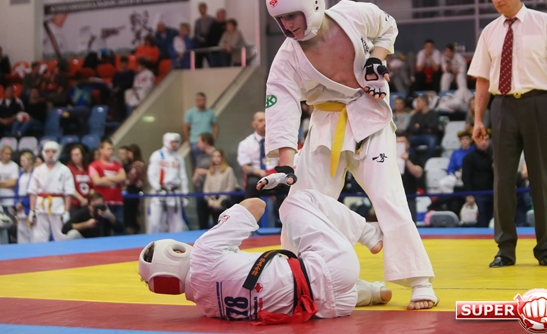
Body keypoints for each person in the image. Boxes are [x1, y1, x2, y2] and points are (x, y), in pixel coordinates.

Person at [260, 0, 437, 309]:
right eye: (280, 19)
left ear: (313, 5)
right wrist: (285, 164)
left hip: (370, 118)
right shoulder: (286, 59)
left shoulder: (352, 14)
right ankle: (294, 278)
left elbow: (388, 26)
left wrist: (377, 57)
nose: (286, 25)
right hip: (325, 124)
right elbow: (282, 109)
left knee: (388, 195)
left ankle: (419, 280)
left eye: (291, 16)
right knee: (301, 202)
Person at [138, 189, 390, 323]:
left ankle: (372, 292)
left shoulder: (207, 307)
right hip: (334, 265)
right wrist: (226, 219)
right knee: (297, 201)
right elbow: (256, 206)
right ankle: (369, 233)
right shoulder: (204, 250)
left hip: (327, 308)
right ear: (178, 251)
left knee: (290, 279)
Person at [468, 0, 547, 267]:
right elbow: (481, 79)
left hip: (540, 103)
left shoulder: (545, 23)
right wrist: (478, 119)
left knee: (542, 178)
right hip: (502, 106)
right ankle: (504, 250)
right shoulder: (490, 31)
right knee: (502, 179)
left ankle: (546, 249)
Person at [28, 141, 75, 242]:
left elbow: (69, 193)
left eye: (53, 151)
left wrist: (66, 212)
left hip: (58, 206)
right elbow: (32, 191)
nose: (50, 154)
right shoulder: (38, 170)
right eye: (47, 151)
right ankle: (40, 252)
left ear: (58, 153)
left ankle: (63, 252)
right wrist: (32, 211)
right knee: (39, 237)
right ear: (43, 153)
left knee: (61, 235)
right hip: (41, 206)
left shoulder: (64, 170)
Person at [147, 133, 188, 233]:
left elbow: (183, 176)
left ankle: (177, 242)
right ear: (166, 142)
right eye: (172, 142)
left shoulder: (178, 158)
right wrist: (158, 187)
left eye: (176, 142)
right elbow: (151, 174)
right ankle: (153, 241)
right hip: (160, 192)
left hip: (174, 192)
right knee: (155, 222)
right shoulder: (157, 155)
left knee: (177, 223)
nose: (174, 144)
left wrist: (185, 195)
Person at [237, 111, 278, 199]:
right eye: (260, 120)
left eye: (266, 120)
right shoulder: (245, 143)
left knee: (289, 183)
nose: (264, 123)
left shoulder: (277, 140)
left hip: (275, 174)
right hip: (257, 175)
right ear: (254, 124)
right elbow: (245, 167)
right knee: (252, 183)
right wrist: (261, 172)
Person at [88, 139, 127, 225]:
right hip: (102, 203)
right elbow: (97, 182)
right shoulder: (94, 165)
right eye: (108, 149)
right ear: (101, 149)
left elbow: (123, 177)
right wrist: (116, 179)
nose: (111, 151)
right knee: (103, 228)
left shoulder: (117, 164)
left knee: (119, 227)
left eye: (112, 149)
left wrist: (105, 179)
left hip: (117, 202)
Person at [461, 134, 494, 227]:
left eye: (486, 140)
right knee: (482, 219)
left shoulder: (492, 156)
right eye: (481, 140)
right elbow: (466, 177)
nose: (484, 142)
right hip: (478, 194)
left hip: (492, 192)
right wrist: (469, 194)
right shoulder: (469, 158)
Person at [203, 148, 239, 225]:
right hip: (212, 199)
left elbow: (230, 188)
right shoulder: (210, 171)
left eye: (218, 156)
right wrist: (209, 200)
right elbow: (206, 188)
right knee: (203, 204)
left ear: (222, 157)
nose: (216, 158)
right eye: (214, 156)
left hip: (224, 199)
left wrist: (220, 200)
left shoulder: (228, 170)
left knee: (223, 207)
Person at [183, 92, 219, 165]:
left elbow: (215, 125)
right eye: (199, 100)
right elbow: (185, 127)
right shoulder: (190, 113)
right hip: (195, 142)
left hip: (208, 143)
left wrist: (214, 136)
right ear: (196, 101)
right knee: (198, 163)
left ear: (205, 100)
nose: (201, 101)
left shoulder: (210, 113)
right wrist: (188, 141)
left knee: (211, 162)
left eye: (203, 100)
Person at [191, 132, 218, 229]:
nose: (198, 145)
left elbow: (222, 172)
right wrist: (195, 176)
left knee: (217, 220)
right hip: (201, 190)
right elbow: (197, 170)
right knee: (202, 221)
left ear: (205, 142)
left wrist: (206, 172)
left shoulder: (217, 155)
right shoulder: (200, 156)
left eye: (199, 142)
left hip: (214, 191)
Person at [405, 94, 441, 161]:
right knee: (406, 142)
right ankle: (414, 160)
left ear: (424, 102)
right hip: (417, 136)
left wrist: (420, 126)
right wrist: (426, 127)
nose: (416, 104)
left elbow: (433, 126)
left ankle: (427, 161)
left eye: (418, 102)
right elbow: (412, 128)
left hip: (430, 136)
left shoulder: (433, 113)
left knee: (432, 140)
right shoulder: (415, 115)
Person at [123, 144, 145, 234]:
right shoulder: (137, 163)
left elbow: (131, 179)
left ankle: (132, 230)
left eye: (129, 153)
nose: (128, 155)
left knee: (131, 214)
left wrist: (124, 182)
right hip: (135, 190)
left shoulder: (137, 164)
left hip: (133, 190)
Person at [67, 144, 93, 216]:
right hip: (74, 203)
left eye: (77, 155)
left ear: (82, 155)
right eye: (72, 155)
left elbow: (92, 186)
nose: (74, 157)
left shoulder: (88, 168)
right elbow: (70, 187)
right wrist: (81, 199)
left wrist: (88, 200)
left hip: (88, 202)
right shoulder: (69, 169)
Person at [14, 151, 35, 243]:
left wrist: (23, 203)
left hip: (29, 207)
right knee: (21, 231)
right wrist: (16, 202)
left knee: (31, 230)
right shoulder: (21, 174)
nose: (21, 163)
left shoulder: (34, 174)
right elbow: (16, 190)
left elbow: (33, 191)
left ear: (30, 161)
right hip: (20, 208)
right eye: (21, 161)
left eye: (23, 161)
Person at [193, 2, 215, 68]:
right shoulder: (197, 21)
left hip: (209, 44)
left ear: (205, 9)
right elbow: (196, 33)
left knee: (212, 63)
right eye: (199, 9)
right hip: (200, 45)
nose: (200, 10)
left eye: (202, 8)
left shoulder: (212, 20)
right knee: (198, 64)